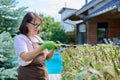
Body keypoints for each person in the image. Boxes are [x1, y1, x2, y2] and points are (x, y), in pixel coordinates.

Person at [14, 12, 58, 80]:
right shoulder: (20, 38)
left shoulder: (38, 38)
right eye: (35, 24)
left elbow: (47, 58)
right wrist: (43, 46)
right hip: (28, 75)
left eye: (39, 25)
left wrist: (53, 48)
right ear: (26, 23)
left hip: (42, 75)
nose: (37, 27)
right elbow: (25, 57)